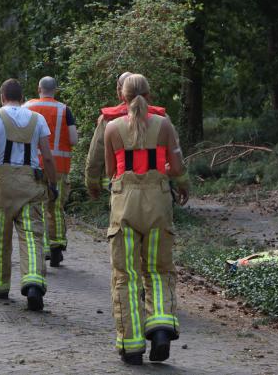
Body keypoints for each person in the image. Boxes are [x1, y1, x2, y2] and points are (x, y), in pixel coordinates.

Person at [103, 74, 189, 365]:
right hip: (158, 205)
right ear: (149, 95)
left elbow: (110, 172)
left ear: (122, 97)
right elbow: (176, 167)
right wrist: (162, 168)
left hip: (124, 206)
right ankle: (162, 326)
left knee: (125, 276)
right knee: (158, 270)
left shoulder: (111, 128)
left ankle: (132, 345)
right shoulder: (164, 125)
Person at [0, 79, 58, 311]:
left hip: (3, 185)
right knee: (32, 236)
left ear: (2, 96)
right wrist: (53, 184)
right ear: (22, 97)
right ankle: (34, 282)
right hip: (30, 183)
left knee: (0, 238)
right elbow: (46, 156)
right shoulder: (38, 119)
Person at [85, 72, 172, 200]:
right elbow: (173, 159)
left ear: (121, 92)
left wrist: (92, 185)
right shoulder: (163, 119)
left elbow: (95, 157)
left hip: (123, 190)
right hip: (157, 190)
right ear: (147, 93)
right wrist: (181, 183)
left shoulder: (108, 120)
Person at [24, 76, 77, 267]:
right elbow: (73, 140)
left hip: (32, 166)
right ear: (56, 90)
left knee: (38, 206)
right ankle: (57, 246)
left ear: (39, 88)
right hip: (60, 167)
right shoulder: (64, 110)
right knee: (55, 206)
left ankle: (43, 247)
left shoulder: (27, 107)